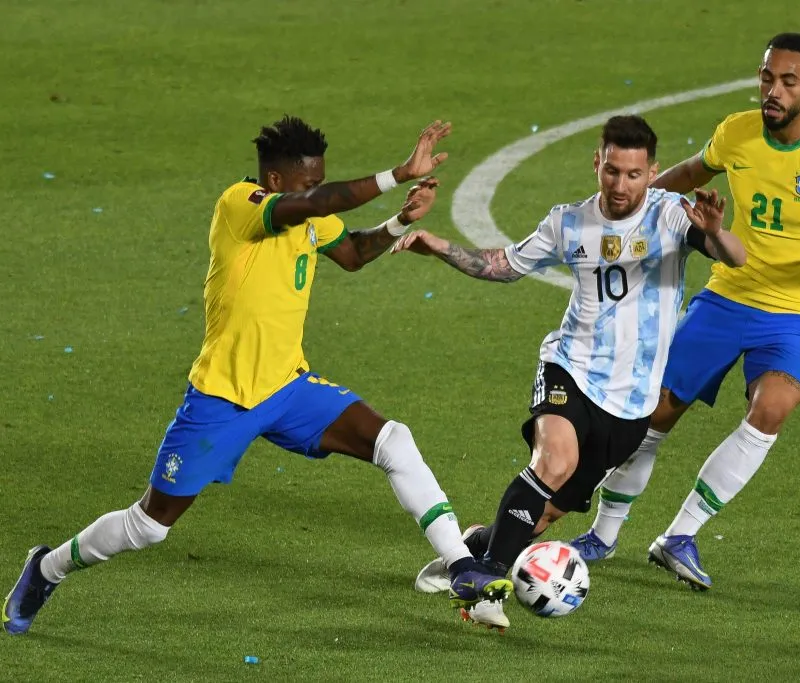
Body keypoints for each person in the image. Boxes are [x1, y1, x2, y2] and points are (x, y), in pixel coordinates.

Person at [3, 117, 511, 636]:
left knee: (392, 439)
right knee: (149, 527)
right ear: (273, 182)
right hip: (222, 398)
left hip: (289, 388)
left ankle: (460, 566)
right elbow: (316, 204)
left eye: (319, 180)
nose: (316, 191)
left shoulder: (311, 215)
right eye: (307, 183)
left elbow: (354, 253)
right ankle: (47, 568)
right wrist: (398, 173)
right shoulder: (239, 206)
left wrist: (399, 222)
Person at [569, 33, 800, 591]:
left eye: (787, 82)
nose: (772, 91)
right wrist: (633, 200)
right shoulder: (738, 132)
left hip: (796, 312)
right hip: (728, 295)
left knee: (771, 406)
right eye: (767, 77)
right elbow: (688, 173)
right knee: (655, 412)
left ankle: (680, 535)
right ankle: (605, 534)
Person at [394, 115, 746, 629]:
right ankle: (485, 584)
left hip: (631, 403)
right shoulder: (569, 223)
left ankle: (468, 551)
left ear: (651, 173)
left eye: (632, 174)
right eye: (611, 171)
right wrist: (440, 246)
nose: (620, 185)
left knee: (544, 514)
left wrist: (714, 233)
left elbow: (733, 257)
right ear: (597, 164)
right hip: (570, 367)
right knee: (553, 461)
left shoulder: (671, 216)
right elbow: (504, 265)